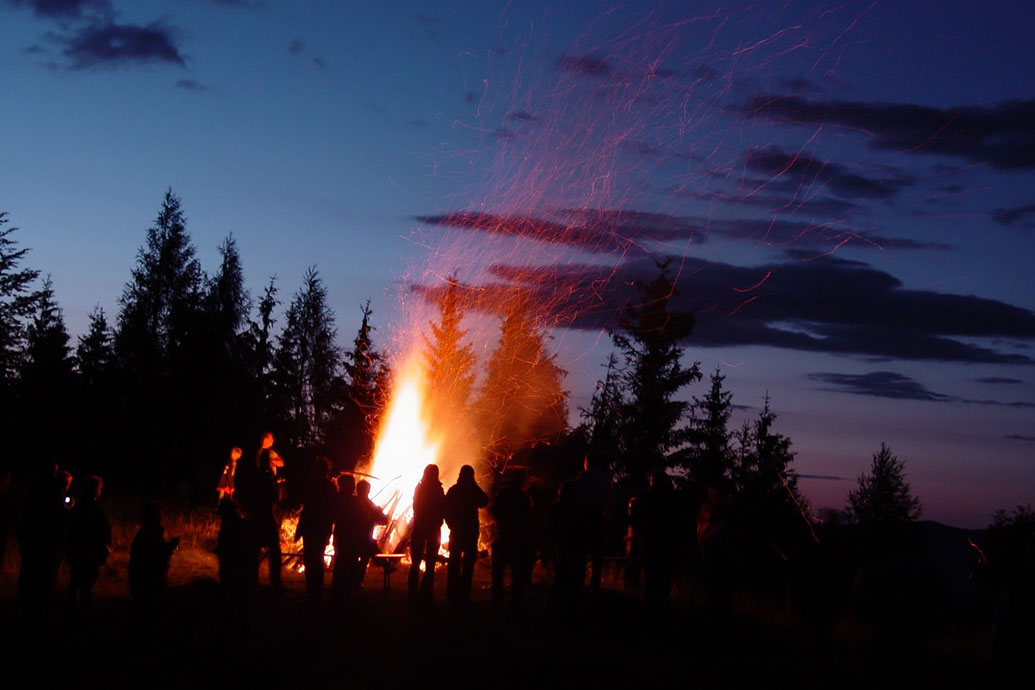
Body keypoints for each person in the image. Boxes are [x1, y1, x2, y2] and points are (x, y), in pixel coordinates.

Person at [236, 431, 284, 592]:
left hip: (254, 515)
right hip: (264, 515)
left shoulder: (254, 475)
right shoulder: (265, 476)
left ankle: (251, 580)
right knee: (274, 551)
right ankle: (274, 582)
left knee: (254, 548)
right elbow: (272, 495)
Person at [215, 497, 260, 642]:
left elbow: (227, 551)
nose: (220, 516)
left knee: (232, 609)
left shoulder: (230, 528)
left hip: (235, 575)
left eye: (221, 513)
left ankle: (231, 641)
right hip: (246, 574)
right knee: (241, 610)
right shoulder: (244, 526)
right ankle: (240, 639)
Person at [294, 457, 337, 606]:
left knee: (314, 560)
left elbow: (314, 509)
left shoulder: (318, 486)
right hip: (317, 528)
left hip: (314, 527)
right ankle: (313, 592)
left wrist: (301, 529)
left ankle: (314, 592)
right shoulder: (328, 487)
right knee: (314, 559)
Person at [65, 475, 112, 611]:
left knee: (74, 582)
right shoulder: (97, 512)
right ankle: (82, 612)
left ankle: (71, 610)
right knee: (86, 585)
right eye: (99, 489)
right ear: (96, 491)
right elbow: (103, 534)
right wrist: (104, 550)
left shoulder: (75, 510)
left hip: (76, 553)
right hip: (90, 555)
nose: (100, 491)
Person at [445, 464, 488, 606]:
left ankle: (452, 594)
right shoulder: (472, 490)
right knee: (468, 565)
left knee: (454, 564)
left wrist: (451, 525)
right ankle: (464, 595)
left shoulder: (453, 490)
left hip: (457, 532)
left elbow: (446, 510)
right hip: (469, 532)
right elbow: (484, 500)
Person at [489, 467, 532, 611]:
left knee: (498, 573)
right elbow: (527, 516)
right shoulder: (522, 497)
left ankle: (497, 602)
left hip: (503, 537)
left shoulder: (502, 494)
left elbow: (492, 510)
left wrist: (500, 521)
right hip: (516, 540)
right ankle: (515, 603)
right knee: (517, 573)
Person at [575, 454, 615, 596]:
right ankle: (595, 584)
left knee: (582, 552)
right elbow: (609, 499)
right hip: (598, 517)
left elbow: (577, 496)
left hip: (584, 517)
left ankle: (579, 583)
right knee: (597, 554)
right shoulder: (605, 478)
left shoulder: (583, 476)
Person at [129, 501, 179, 613]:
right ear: (153, 517)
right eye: (159, 515)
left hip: (141, 584)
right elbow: (157, 556)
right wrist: (171, 545)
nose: (161, 518)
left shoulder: (145, 533)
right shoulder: (151, 534)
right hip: (148, 585)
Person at [409, 463, 446, 603]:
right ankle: (426, 594)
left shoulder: (419, 488)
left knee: (415, 562)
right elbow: (442, 507)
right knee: (430, 563)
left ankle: (412, 594)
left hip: (419, 527)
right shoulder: (438, 490)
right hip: (433, 528)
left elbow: (415, 506)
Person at [353, 479, 389, 588]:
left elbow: (382, 520)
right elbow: (383, 520)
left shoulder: (352, 502)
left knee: (368, 548)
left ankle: (356, 582)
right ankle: (384, 564)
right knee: (368, 549)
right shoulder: (369, 505)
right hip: (361, 540)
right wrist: (380, 513)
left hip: (352, 539)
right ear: (368, 491)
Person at [331, 474, 361, 603]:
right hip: (351, 536)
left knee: (340, 562)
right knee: (350, 562)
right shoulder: (354, 501)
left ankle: (338, 590)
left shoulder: (336, 499)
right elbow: (363, 517)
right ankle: (346, 591)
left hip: (341, 535)